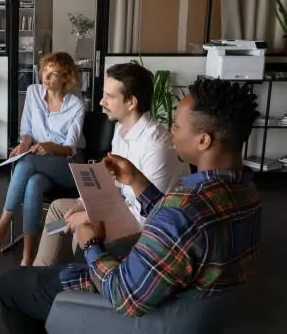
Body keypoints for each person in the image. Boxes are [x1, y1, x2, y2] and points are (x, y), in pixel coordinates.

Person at [0, 78, 262, 333]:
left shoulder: (183, 208)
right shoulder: (246, 193)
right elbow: (181, 229)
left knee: (11, 285)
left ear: (204, 140)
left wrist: (91, 243)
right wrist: (137, 182)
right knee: (66, 257)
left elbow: (125, 297)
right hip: (181, 299)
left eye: (178, 126)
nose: (172, 130)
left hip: (136, 307)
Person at [33, 62, 190, 268]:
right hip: (122, 208)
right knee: (58, 209)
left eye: (110, 96)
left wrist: (90, 214)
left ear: (131, 102)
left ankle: (75, 283)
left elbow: (151, 216)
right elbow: (113, 186)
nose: (101, 102)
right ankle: (39, 273)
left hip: (147, 228)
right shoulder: (121, 130)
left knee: (84, 226)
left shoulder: (156, 146)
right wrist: (84, 203)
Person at [0, 52, 85, 266]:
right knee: (33, 184)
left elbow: (71, 147)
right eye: (45, 72)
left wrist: (50, 147)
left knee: (26, 162)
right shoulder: (33, 93)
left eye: (54, 74)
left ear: (66, 78)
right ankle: (27, 257)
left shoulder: (76, 105)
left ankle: (1, 228)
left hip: (66, 166)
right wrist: (24, 144)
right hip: (39, 163)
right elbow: (27, 129)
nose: (46, 78)